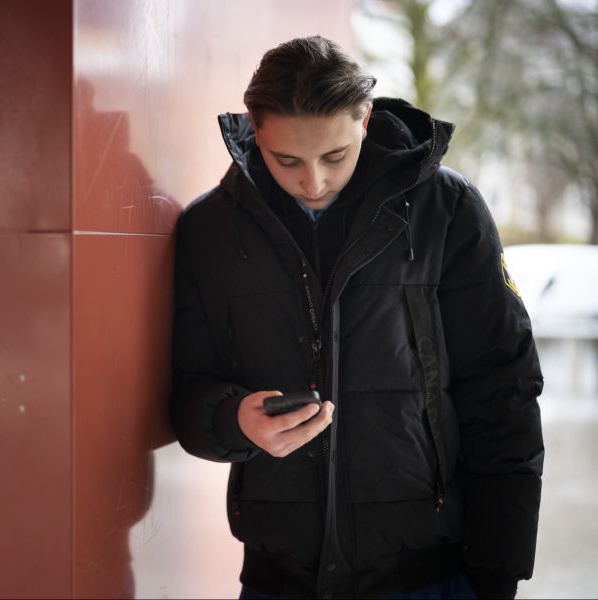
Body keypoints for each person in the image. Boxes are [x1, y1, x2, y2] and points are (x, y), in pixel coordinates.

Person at [170, 36, 543, 600]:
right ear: (255, 127)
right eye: (287, 160)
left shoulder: (449, 210)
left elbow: (503, 388)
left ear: (365, 120)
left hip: (430, 575)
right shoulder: (209, 230)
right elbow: (186, 390)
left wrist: (499, 570)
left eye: (334, 156)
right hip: (278, 579)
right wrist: (232, 421)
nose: (313, 182)